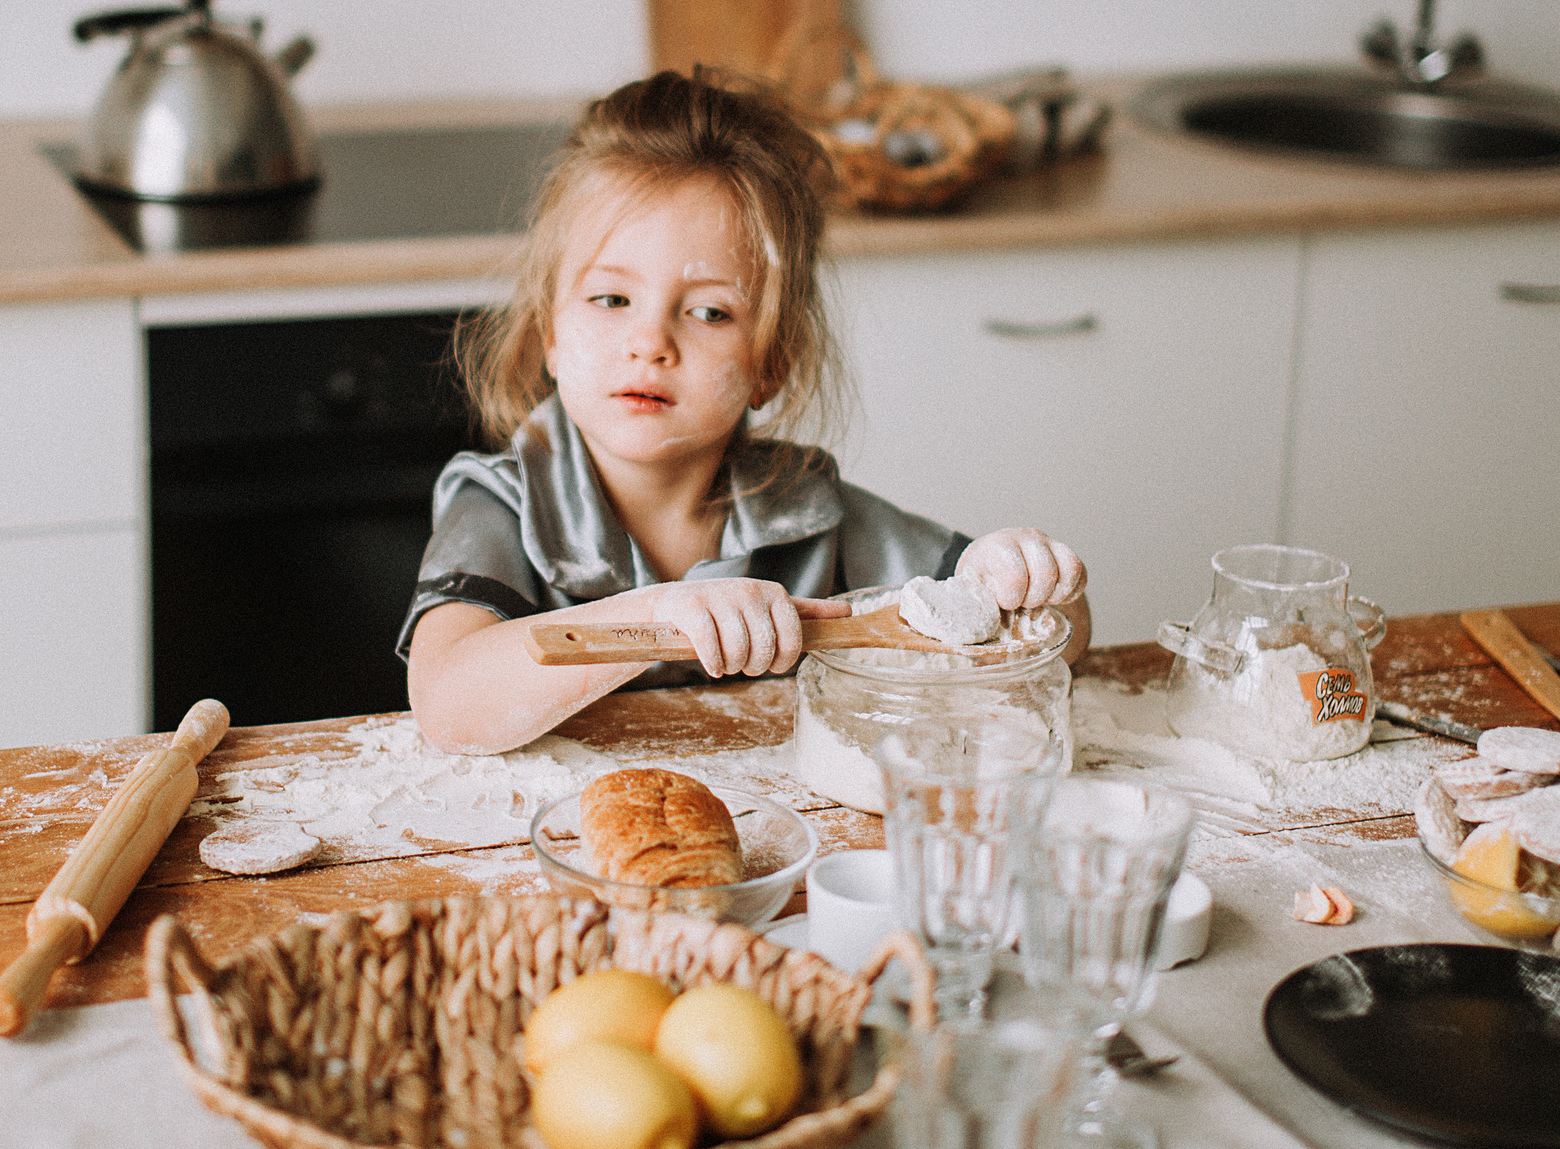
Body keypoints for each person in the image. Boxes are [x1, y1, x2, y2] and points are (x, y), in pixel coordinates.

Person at [402, 69, 1086, 755]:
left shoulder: (806, 515)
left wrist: (1022, 583)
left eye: (708, 311)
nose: (650, 343)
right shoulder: (502, 503)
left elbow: (1062, 640)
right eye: (611, 300)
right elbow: (447, 705)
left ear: (772, 361)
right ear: (548, 333)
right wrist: (660, 616)